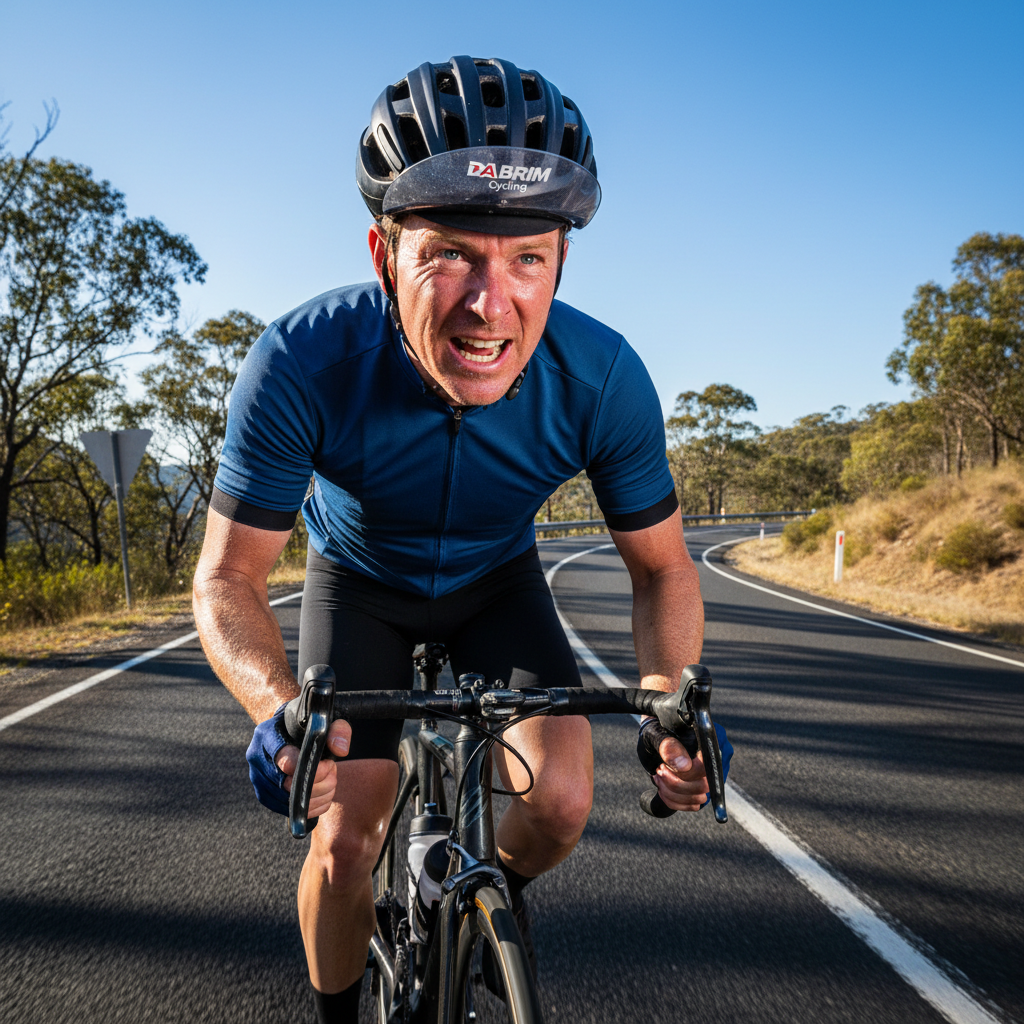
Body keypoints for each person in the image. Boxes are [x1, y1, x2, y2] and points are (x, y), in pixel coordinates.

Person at [193, 56, 717, 1023]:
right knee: (347, 838)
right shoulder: (303, 362)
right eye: (450, 254)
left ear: (563, 261)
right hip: (358, 585)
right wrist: (278, 712)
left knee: (561, 802)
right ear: (384, 252)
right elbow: (228, 577)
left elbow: (662, 569)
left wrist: (666, 709)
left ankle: (485, 899)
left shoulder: (603, 378)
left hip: (496, 583)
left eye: (528, 259)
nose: (491, 302)